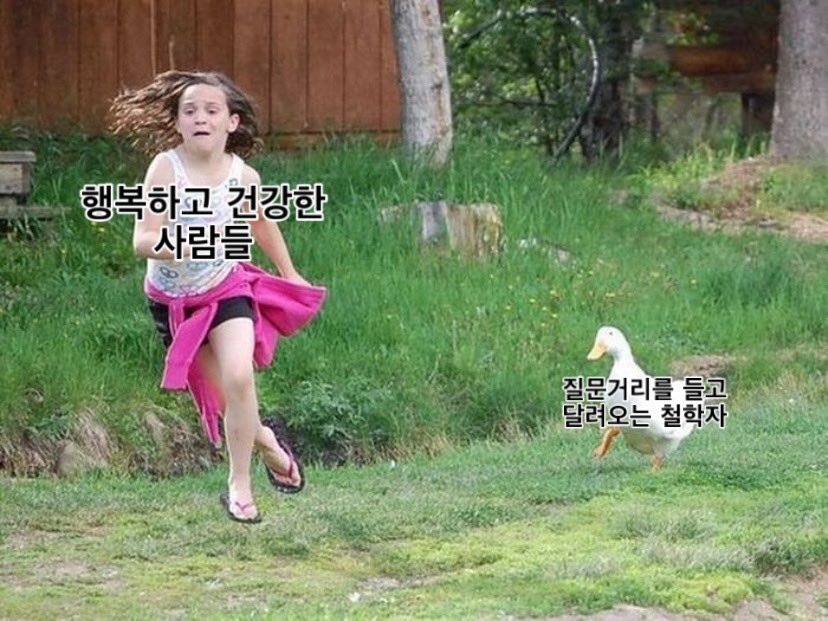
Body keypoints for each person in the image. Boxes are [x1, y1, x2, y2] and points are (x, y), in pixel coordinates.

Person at [110, 71, 326, 523]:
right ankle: (269, 443)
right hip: (174, 302)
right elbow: (142, 240)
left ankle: (239, 488)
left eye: (211, 110)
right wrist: (190, 243)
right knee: (230, 402)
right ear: (177, 122)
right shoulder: (165, 168)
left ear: (231, 122)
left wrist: (291, 273)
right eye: (189, 111)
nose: (200, 118)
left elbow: (260, 222)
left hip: (227, 288)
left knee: (239, 379)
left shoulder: (243, 175)